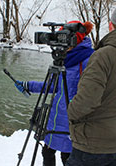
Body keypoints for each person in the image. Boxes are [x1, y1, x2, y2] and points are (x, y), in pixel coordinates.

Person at [66, 6, 116, 166]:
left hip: (91, 144)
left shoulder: (103, 55)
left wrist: (71, 114)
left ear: (111, 26)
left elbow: (87, 100)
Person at [15, 21, 94, 166]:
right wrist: (29, 85)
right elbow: (53, 86)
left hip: (72, 122)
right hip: (54, 118)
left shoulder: (89, 59)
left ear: (76, 39)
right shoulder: (62, 59)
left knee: (67, 158)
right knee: (47, 153)